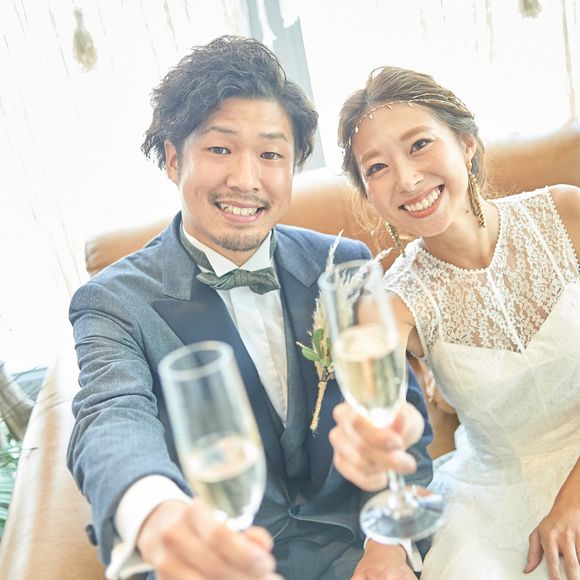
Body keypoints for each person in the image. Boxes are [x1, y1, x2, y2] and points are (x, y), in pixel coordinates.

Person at [67, 37, 434, 580]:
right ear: (174, 158)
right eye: (220, 149)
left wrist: (389, 550)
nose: (246, 180)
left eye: (270, 155)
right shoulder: (114, 300)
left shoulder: (345, 265)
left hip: (359, 553)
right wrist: (155, 511)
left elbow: (403, 420)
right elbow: (109, 415)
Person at [329, 65, 580, 580]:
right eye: (377, 168)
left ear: (466, 143)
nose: (406, 179)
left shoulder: (567, 213)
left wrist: (572, 499)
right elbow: (383, 426)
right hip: (495, 499)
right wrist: (383, 540)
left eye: (419, 144)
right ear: (369, 194)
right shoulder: (390, 305)